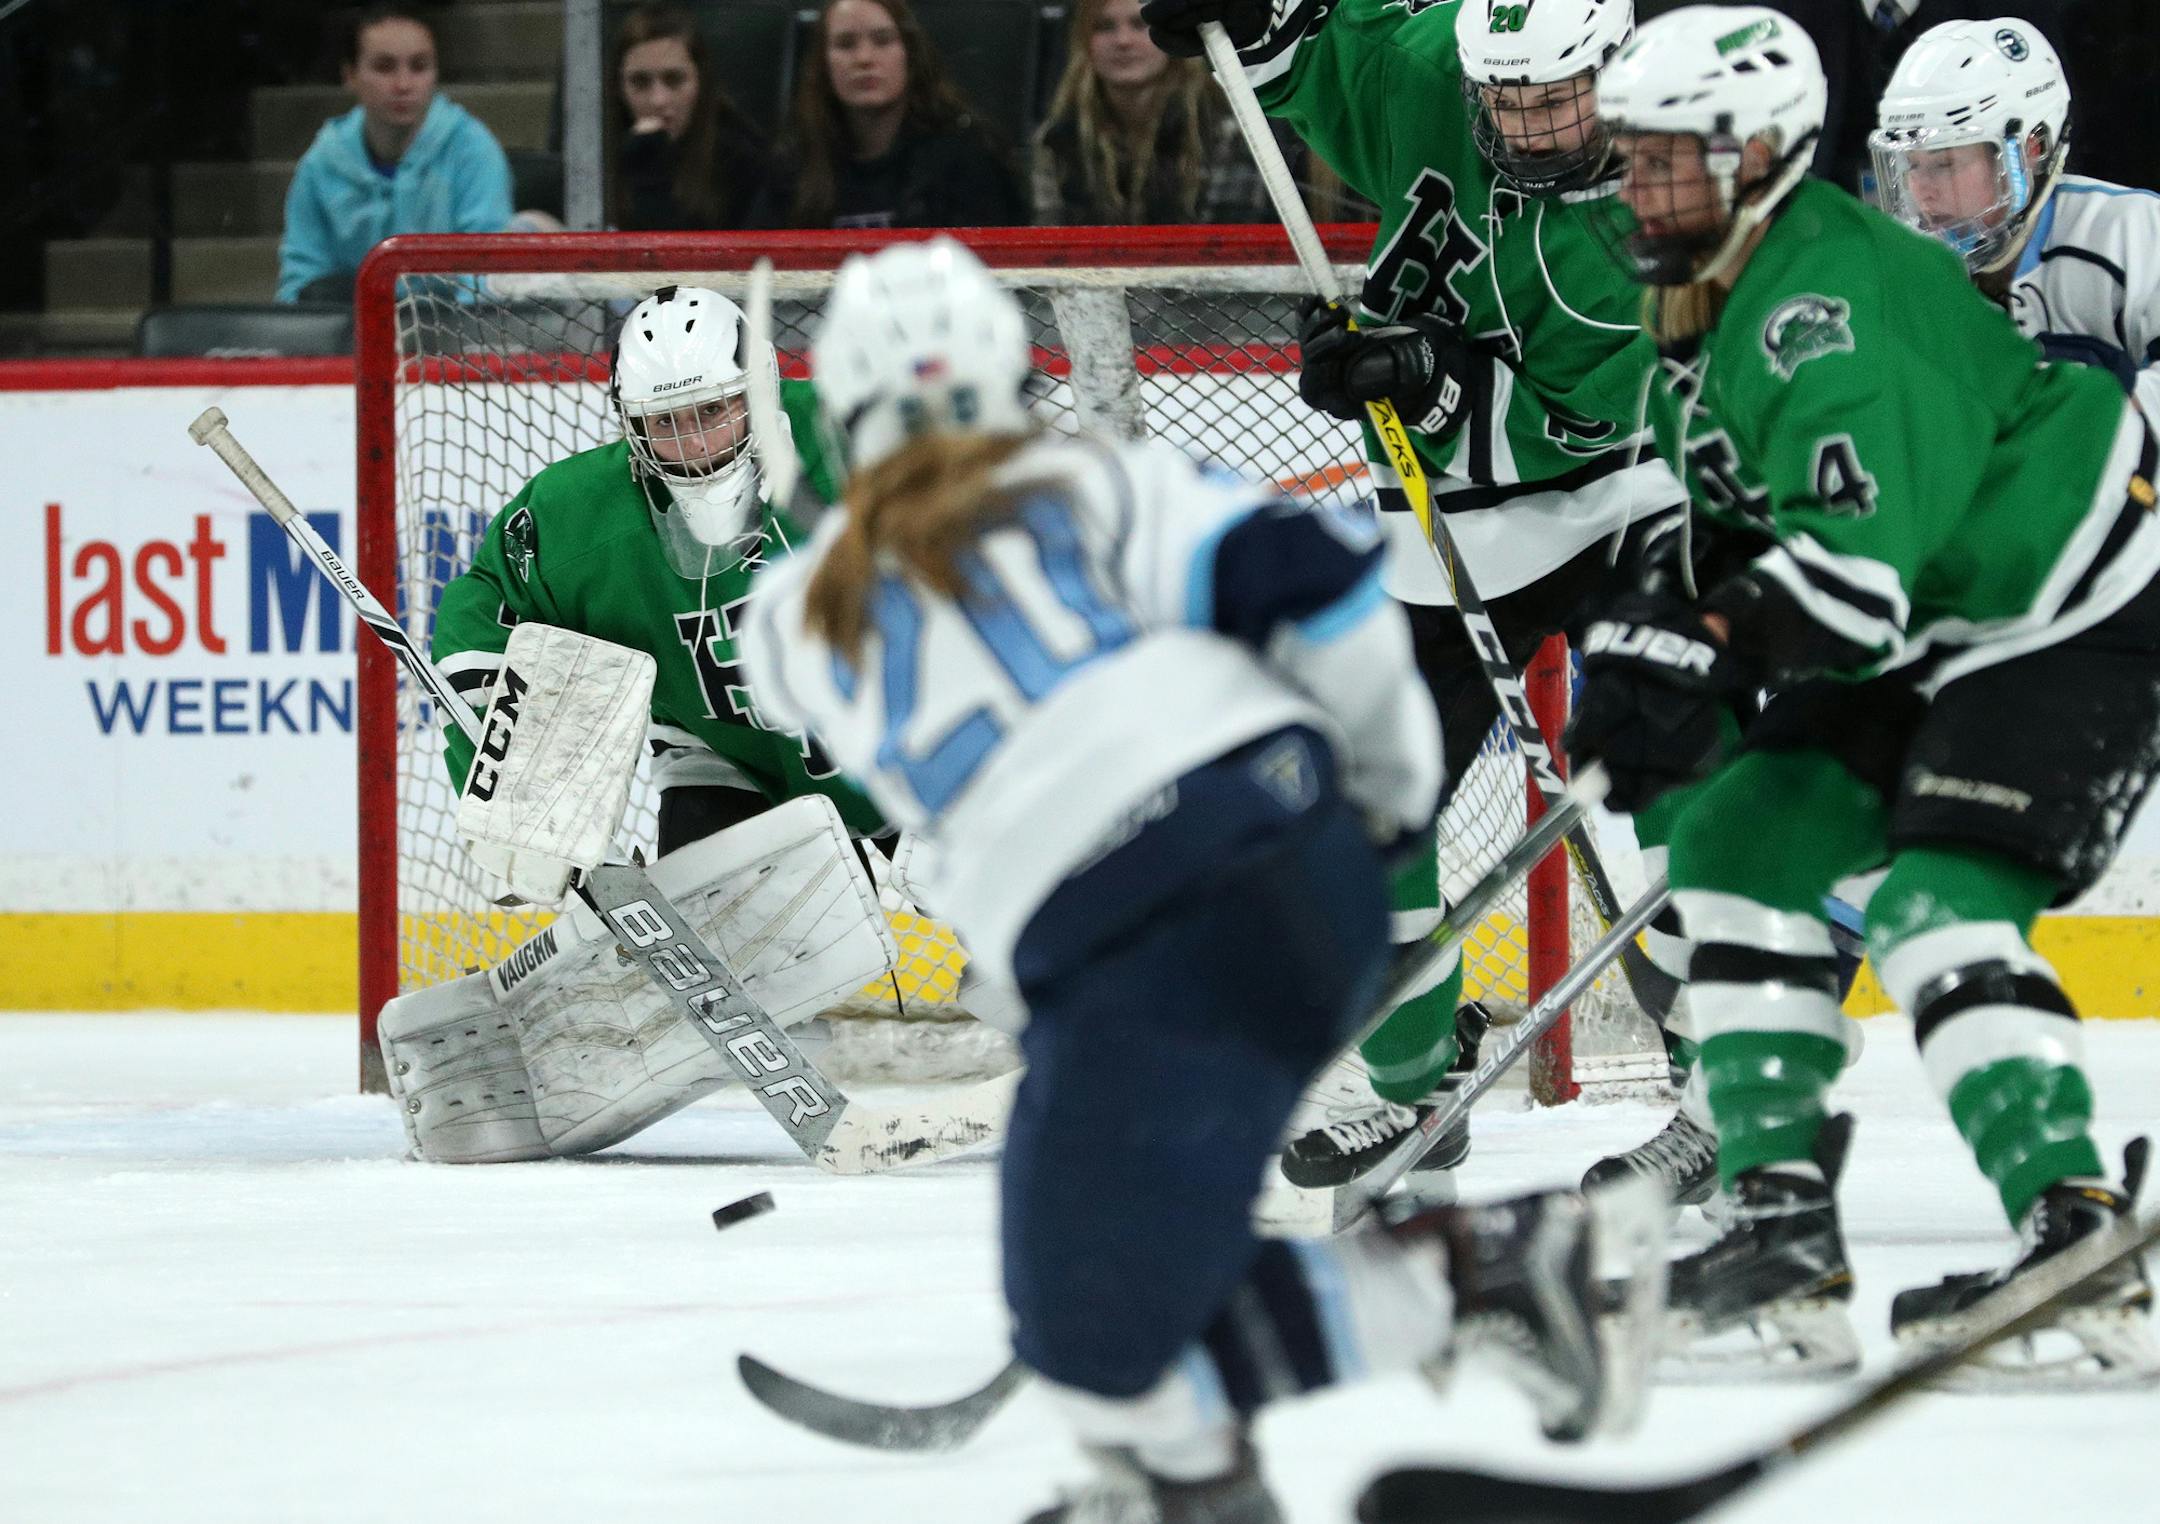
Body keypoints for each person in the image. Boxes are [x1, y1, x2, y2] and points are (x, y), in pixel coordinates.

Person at [739, 235, 1666, 1523]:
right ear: (1015, 382)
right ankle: (1190, 1476)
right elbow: (1323, 585)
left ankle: (1480, 1279)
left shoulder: (792, 618)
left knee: (1087, 1324)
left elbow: (928, 729)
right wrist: (1391, 810)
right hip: (1283, 863)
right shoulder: (1099, 480)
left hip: (1139, 945)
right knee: (1102, 1311)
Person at [1569, 3, 2157, 1383]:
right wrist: (1657, 639)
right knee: (1733, 838)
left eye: (1670, 157)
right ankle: (1780, 1216)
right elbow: (1726, 509)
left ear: (1760, 154)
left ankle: (2069, 1221)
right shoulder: (1717, 281)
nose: (1639, 186)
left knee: (1934, 905)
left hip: (2072, 601)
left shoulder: (1831, 313)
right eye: (1635, 156)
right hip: (1942, 606)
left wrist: (1715, 636)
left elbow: (1851, 579)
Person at [1137, 0, 1692, 1194]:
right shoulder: (1443, 60)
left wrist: (1426, 382)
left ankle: (1728, 1092)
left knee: (1696, 759)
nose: (1531, 128)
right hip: (1451, 508)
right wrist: (1258, 20)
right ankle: (1419, 1093)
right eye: (1509, 102)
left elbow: (1583, 426)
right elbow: (1315, 69)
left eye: (1558, 100)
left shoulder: (1664, 204)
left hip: (1637, 496)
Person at [373, 285, 1017, 1165]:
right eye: (665, 422)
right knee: (696, 952)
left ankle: (1097, 1043)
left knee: (1015, 910)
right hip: (724, 756)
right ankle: (567, 1062)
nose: (692, 444)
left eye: (712, 412)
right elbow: (481, 614)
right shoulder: (579, 516)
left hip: (890, 744)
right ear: (630, 424)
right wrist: (507, 794)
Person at [1873, 15, 2160, 420]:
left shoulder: (2134, 234)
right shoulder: (1901, 281)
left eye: (1944, 163)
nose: (1921, 190)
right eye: (1909, 165)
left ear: (2031, 150)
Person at [277, 6, 512, 304]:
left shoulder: (475, 151)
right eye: (384, 67)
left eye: (419, 66)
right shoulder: (319, 165)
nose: (404, 85)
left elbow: (485, 279)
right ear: (350, 74)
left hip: (452, 340)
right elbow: (301, 282)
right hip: (353, 339)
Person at [749, 0, 1026, 230]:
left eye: (883, 40)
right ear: (823, 65)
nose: (864, 59)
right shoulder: (794, 166)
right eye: (846, 44)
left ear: (911, 53)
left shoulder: (969, 157)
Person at [1032, 0, 1309, 226]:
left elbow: (1226, 245)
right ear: (1083, 41)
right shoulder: (1057, 139)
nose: (1123, 41)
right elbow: (1052, 244)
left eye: (1139, 24)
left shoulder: (1227, 128)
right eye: (1104, 27)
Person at [611, 3, 770, 231]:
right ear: (618, 87)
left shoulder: (744, 163)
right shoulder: (593, 156)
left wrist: (647, 170)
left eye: (674, 80)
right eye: (639, 82)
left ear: (701, 82)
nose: (658, 100)